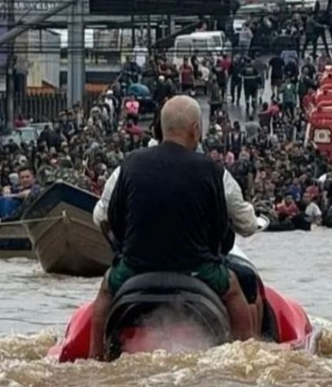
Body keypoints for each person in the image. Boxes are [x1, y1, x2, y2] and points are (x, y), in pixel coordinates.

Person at [89, 96, 258, 360]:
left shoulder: (128, 166)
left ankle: (94, 360)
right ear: (195, 129)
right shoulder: (214, 172)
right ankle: (248, 358)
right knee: (235, 289)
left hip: (135, 268)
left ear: (162, 128)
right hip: (199, 269)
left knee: (105, 291)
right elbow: (247, 225)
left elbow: (100, 216)